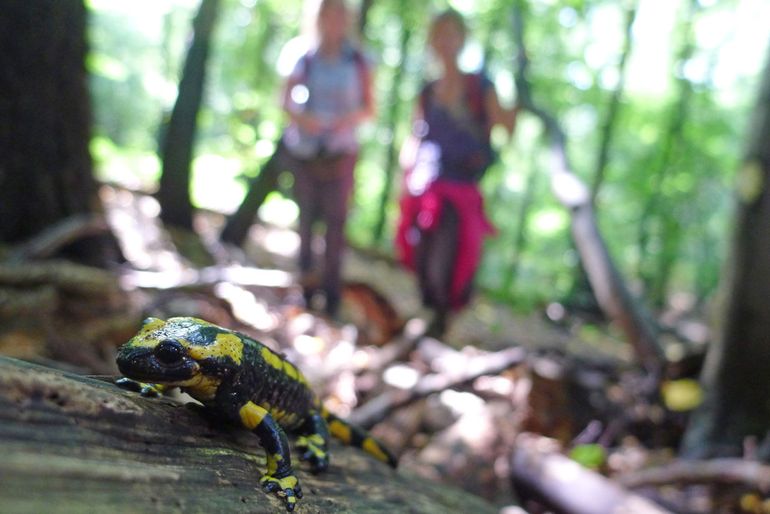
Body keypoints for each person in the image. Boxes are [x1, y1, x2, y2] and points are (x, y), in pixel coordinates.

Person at [395, 9, 518, 335]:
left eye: (452, 34)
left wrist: (519, 88)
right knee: (419, 253)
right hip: (425, 188)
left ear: (463, 39)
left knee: (447, 262)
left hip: (460, 190)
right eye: (440, 34)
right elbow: (415, 136)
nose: (445, 41)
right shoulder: (427, 91)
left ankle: (439, 322)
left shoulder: (480, 88)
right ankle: (428, 319)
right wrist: (405, 174)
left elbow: (505, 126)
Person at [281, 0, 374, 316]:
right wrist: (305, 119)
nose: (333, 19)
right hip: (305, 153)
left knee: (336, 226)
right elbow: (285, 102)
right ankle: (305, 290)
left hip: (341, 153)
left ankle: (331, 296)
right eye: (327, 12)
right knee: (306, 221)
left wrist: (344, 120)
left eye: (339, 13)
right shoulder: (301, 55)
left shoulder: (359, 59)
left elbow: (369, 107)